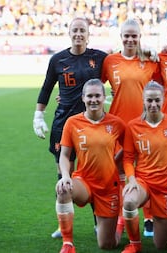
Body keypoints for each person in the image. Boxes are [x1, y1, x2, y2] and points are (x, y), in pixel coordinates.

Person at [32, 17, 107, 239]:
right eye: (75, 30)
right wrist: (38, 116)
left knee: (92, 173)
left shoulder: (99, 57)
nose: (78, 34)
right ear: (69, 32)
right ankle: (63, 225)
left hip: (92, 124)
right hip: (63, 123)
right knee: (63, 172)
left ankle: (98, 222)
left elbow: (123, 62)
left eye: (82, 30)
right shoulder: (58, 59)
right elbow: (47, 88)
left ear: (88, 33)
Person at [101, 18, 160, 238]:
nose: (130, 39)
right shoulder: (110, 61)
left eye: (134, 35)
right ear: (121, 37)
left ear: (139, 37)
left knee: (146, 170)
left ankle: (149, 219)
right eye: (126, 35)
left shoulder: (150, 61)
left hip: (144, 126)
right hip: (117, 127)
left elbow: (164, 88)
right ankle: (119, 217)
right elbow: (95, 88)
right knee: (119, 172)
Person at [54, 79, 126, 253]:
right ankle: (68, 244)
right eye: (90, 96)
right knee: (63, 190)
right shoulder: (72, 122)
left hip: (109, 187)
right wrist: (65, 175)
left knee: (107, 245)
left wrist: (119, 166)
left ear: (104, 98)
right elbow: (64, 155)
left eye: (97, 96)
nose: (94, 100)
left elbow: (130, 150)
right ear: (83, 98)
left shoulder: (116, 123)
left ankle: (120, 222)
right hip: (84, 181)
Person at [120, 81, 167, 253]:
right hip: (143, 181)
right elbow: (127, 158)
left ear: (163, 100)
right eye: (149, 100)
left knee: (162, 246)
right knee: (129, 201)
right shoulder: (133, 126)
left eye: (157, 100)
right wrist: (131, 179)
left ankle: (163, 225)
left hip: (165, 186)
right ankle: (134, 244)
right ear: (143, 100)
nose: (153, 104)